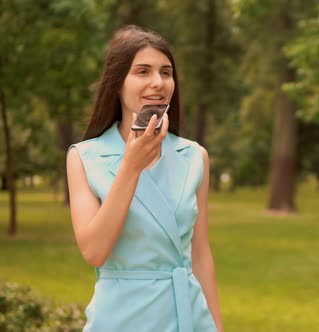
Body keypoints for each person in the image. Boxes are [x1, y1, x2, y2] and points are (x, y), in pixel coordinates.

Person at [66, 25, 223, 332]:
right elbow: (94, 251)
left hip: (188, 317)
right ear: (117, 84)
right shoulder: (85, 158)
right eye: (143, 71)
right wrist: (131, 166)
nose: (158, 82)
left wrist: (216, 327)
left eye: (166, 72)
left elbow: (200, 253)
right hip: (121, 318)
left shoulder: (194, 157)